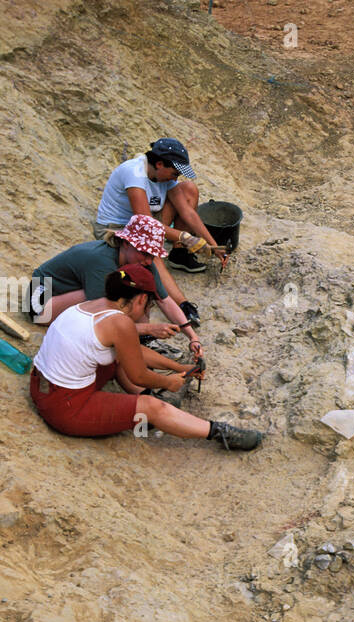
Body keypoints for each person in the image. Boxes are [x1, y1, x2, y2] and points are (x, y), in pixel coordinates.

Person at [29, 264, 261, 450]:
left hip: (40, 386)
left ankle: (152, 405)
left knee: (120, 359)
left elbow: (133, 352)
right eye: (148, 304)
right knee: (152, 407)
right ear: (140, 299)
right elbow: (138, 374)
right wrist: (168, 382)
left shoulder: (91, 306)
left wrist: (178, 366)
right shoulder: (120, 323)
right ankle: (220, 432)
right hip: (65, 408)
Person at [30, 215, 203, 358]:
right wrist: (148, 328)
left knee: (141, 287)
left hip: (68, 292)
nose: (148, 261)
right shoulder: (100, 261)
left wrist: (192, 337)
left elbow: (164, 300)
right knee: (113, 299)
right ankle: (141, 338)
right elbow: (100, 318)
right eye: (144, 253)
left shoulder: (144, 262)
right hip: (39, 301)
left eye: (152, 255)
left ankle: (144, 341)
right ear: (126, 243)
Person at [94, 137, 226, 281]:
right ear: (159, 164)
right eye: (175, 173)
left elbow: (187, 212)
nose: (175, 179)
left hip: (144, 222)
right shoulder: (135, 173)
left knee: (188, 189)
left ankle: (179, 254)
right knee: (144, 271)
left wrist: (215, 246)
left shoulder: (163, 176)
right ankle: (149, 259)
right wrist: (185, 237)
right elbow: (145, 223)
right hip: (117, 228)